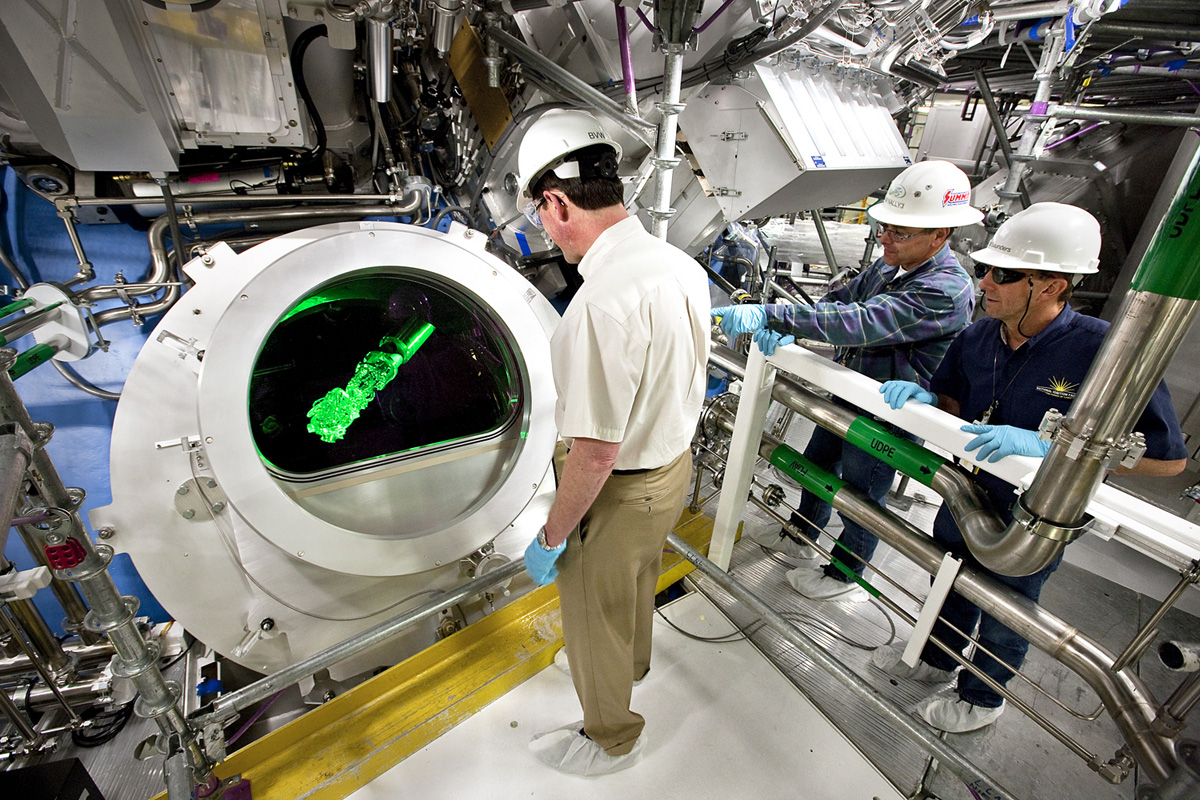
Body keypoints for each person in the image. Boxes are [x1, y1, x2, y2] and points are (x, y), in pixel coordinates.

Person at [876, 202, 1187, 733]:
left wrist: (1059, 449)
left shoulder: (1103, 353)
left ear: (1052, 286)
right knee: (950, 581)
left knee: (1007, 608)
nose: (988, 282)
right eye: (985, 270)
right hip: (963, 493)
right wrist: (925, 398)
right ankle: (936, 660)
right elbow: (954, 403)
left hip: (1037, 512)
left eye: (1006, 274)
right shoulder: (978, 337)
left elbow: (1168, 461)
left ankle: (983, 698)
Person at [515, 109, 711, 775]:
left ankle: (611, 737)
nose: (543, 227)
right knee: (636, 583)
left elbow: (595, 454)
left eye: (541, 212)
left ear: (556, 201)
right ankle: (636, 664)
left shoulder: (598, 304)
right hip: (672, 470)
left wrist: (552, 536)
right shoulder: (678, 264)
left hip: (621, 489)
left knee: (594, 611)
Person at [713, 160, 981, 602]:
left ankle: (844, 574)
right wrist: (794, 325)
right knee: (817, 468)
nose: (884, 238)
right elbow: (843, 300)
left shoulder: (946, 289)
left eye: (900, 232)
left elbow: (864, 322)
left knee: (861, 498)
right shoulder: (890, 265)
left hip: (887, 412)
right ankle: (802, 535)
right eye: (884, 226)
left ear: (941, 235)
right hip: (847, 391)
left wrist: (773, 314)